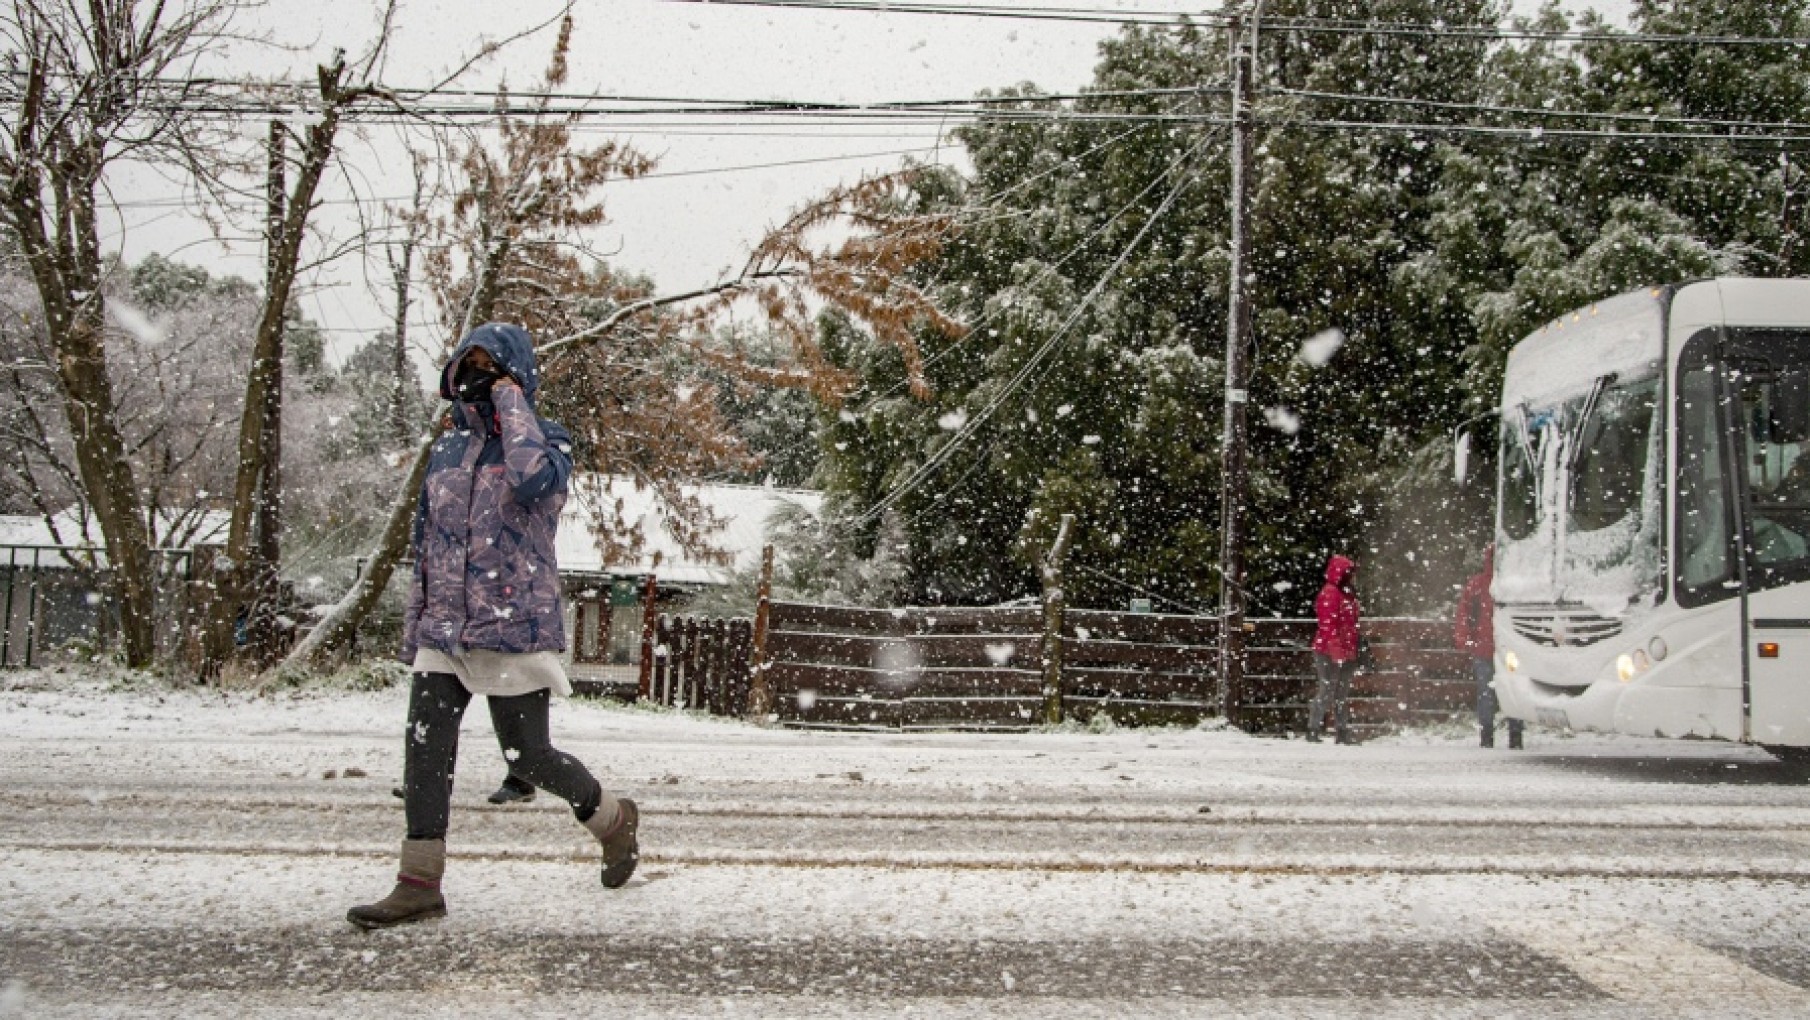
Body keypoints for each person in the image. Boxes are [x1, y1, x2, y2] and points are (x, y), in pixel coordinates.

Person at [348, 323, 638, 930]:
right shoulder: (448, 450)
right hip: (446, 627)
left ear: (516, 373)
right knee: (425, 747)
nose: (478, 374)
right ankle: (419, 883)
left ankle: (611, 818)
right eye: (469, 362)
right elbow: (426, 540)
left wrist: (512, 403)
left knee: (529, 757)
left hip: (511, 623)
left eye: (492, 365)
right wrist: (418, 622)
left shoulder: (549, 443)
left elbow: (532, 481)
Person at [1455, 543, 1522, 750]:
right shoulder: (1515, 584)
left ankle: (1487, 737)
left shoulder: (1478, 584)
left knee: (1486, 695)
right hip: (1509, 649)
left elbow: (1464, 614)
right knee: (1514, 693)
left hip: (1484, 647)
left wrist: (1465, 638)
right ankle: (1515, 736)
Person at [1308, 554, 1360, 745]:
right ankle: (1317, 728)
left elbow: (1346, 625)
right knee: (1329, 690)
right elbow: (1328, 626)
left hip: (1341, 649)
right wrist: (1338, 651)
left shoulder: (1345, 593)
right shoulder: (1333, 593)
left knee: (1339, 692)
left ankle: (1339, 731)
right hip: (1328, 650)